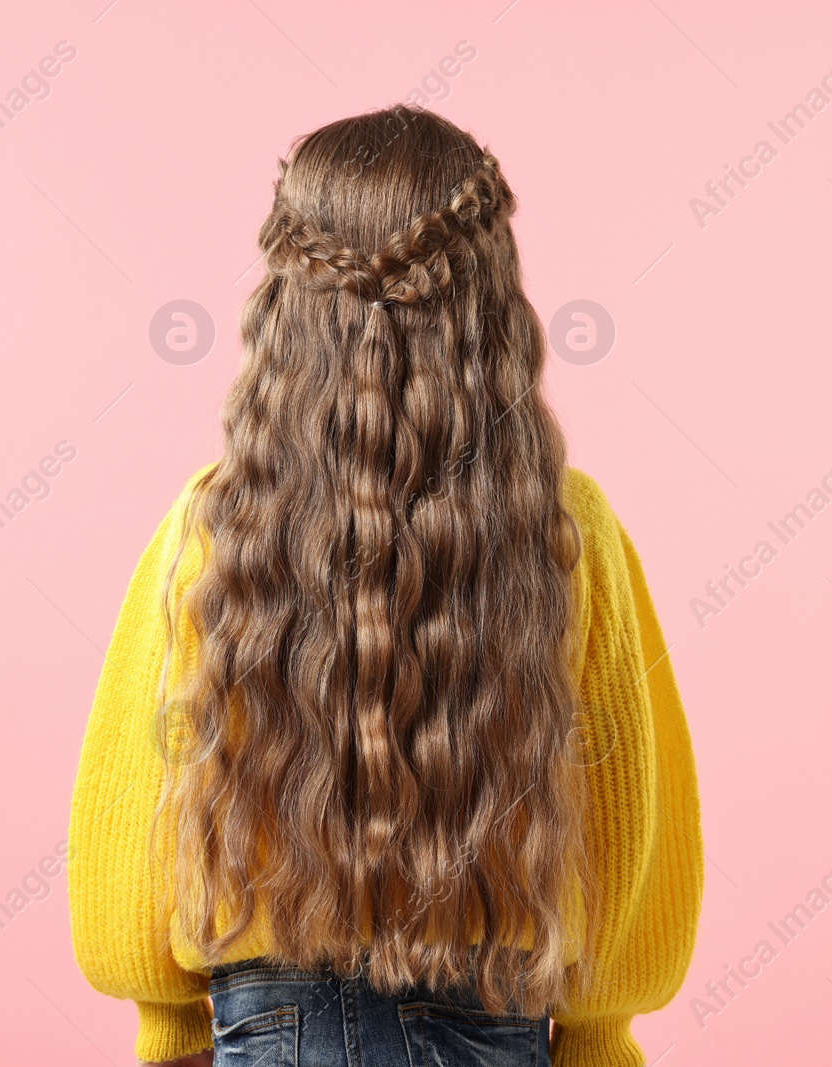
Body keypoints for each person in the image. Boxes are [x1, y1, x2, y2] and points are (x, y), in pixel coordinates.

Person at [68, 105, 703, 1067]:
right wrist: (601, 1033)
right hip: (491, 1019)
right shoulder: (570, 532)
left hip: (265, 1026)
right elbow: (629, 816)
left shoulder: (209, 528)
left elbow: (135, 808)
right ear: (492, 304)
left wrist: (170, 1030)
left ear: (286, 303)